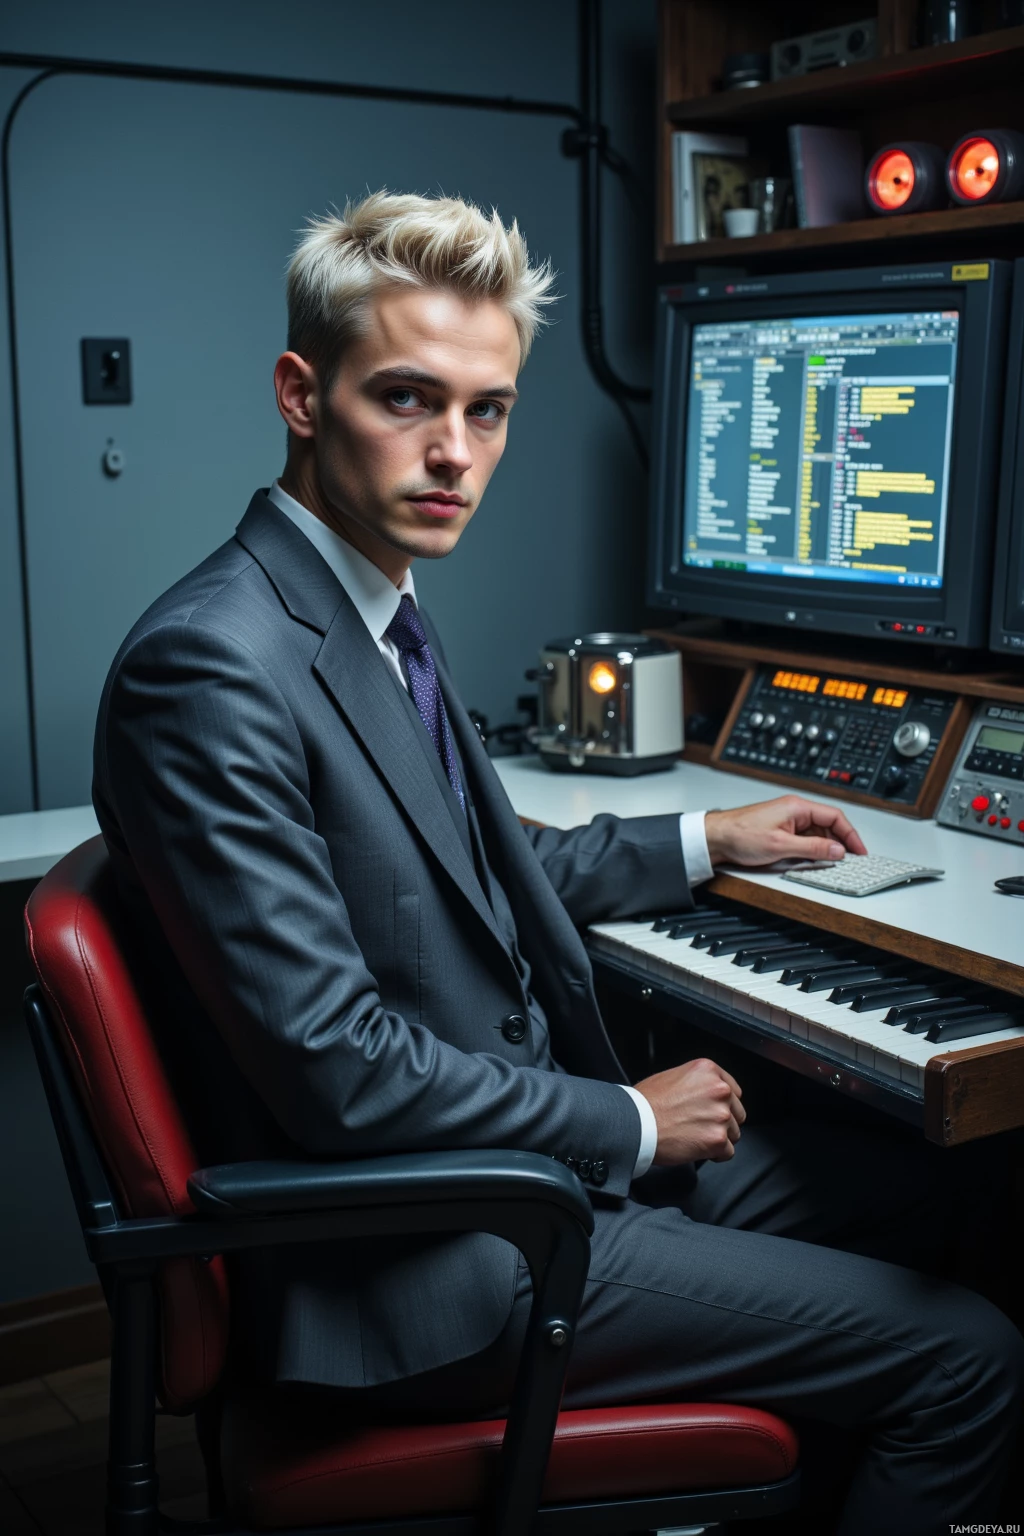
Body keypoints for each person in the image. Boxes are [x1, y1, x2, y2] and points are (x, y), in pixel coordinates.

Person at [93, 191, 1021, 1533]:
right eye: (408, 400)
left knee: (944, 1189)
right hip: (435, 1258)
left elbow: (462, 869)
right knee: (973, 1359)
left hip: (503, 1159)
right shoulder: (212, 667)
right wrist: (631, 1123)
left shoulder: (368, 608)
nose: (453, 453)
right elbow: (340, 1074)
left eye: (489, 410)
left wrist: (708, 837)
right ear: (302, 394)